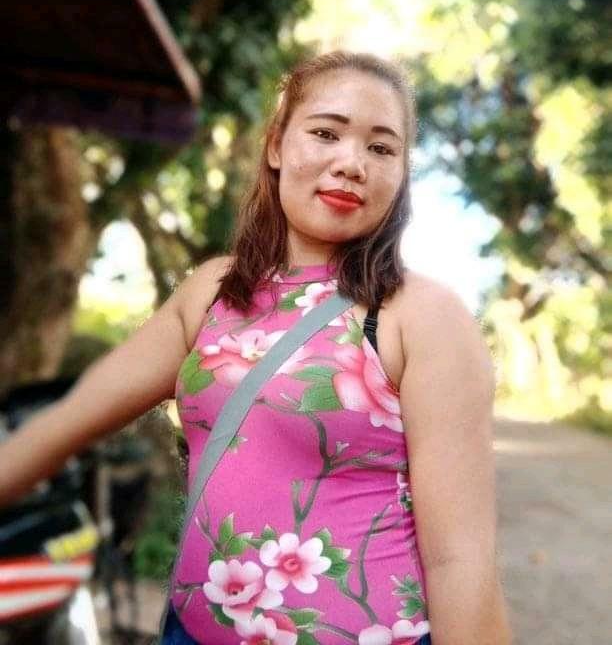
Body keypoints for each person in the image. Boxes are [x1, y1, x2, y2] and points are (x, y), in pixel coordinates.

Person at [0, 51, 512, 645]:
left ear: (400, 174)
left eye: (381, 148)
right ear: (275, 146)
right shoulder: (212, 291)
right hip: (191, 633)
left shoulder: (422, 316)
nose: (352, 164)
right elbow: (65, 422)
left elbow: (461, 561)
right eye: (326, 133)